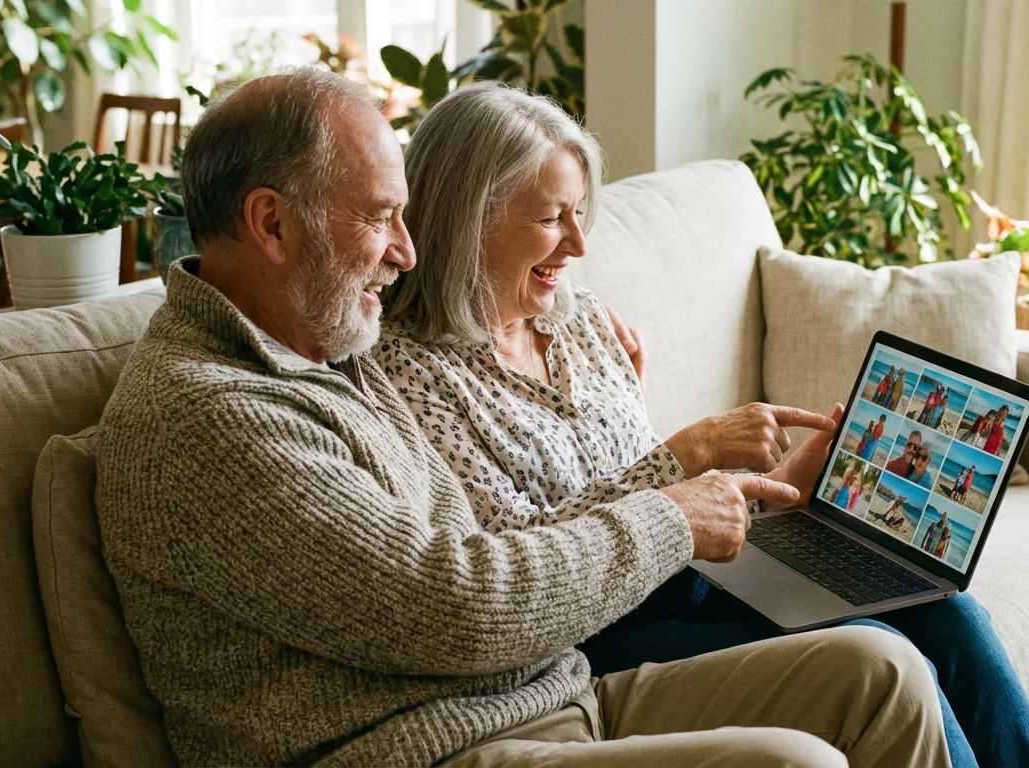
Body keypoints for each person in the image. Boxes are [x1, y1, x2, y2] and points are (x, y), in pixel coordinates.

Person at [93, 69, 952, 768]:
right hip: (419, 750)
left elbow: (482, 545)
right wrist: (673, 508)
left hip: (547, 693)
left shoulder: (328, 351)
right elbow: (459, 604)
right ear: (271, 223)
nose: (406, 251)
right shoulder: (214, 418)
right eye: (382, 217)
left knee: (882, 671)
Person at [377, 82, 1029, 768]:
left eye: (582, 212)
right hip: (594, 636)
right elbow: (510, 567)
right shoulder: (408, 375)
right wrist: (687, 452)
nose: (580, 244)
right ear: (469, 219)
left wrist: (780, 487)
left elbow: (631, 475)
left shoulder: (578, 318)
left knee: (948, 613)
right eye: (554, 218)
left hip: (692, 573)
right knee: (884, 642)